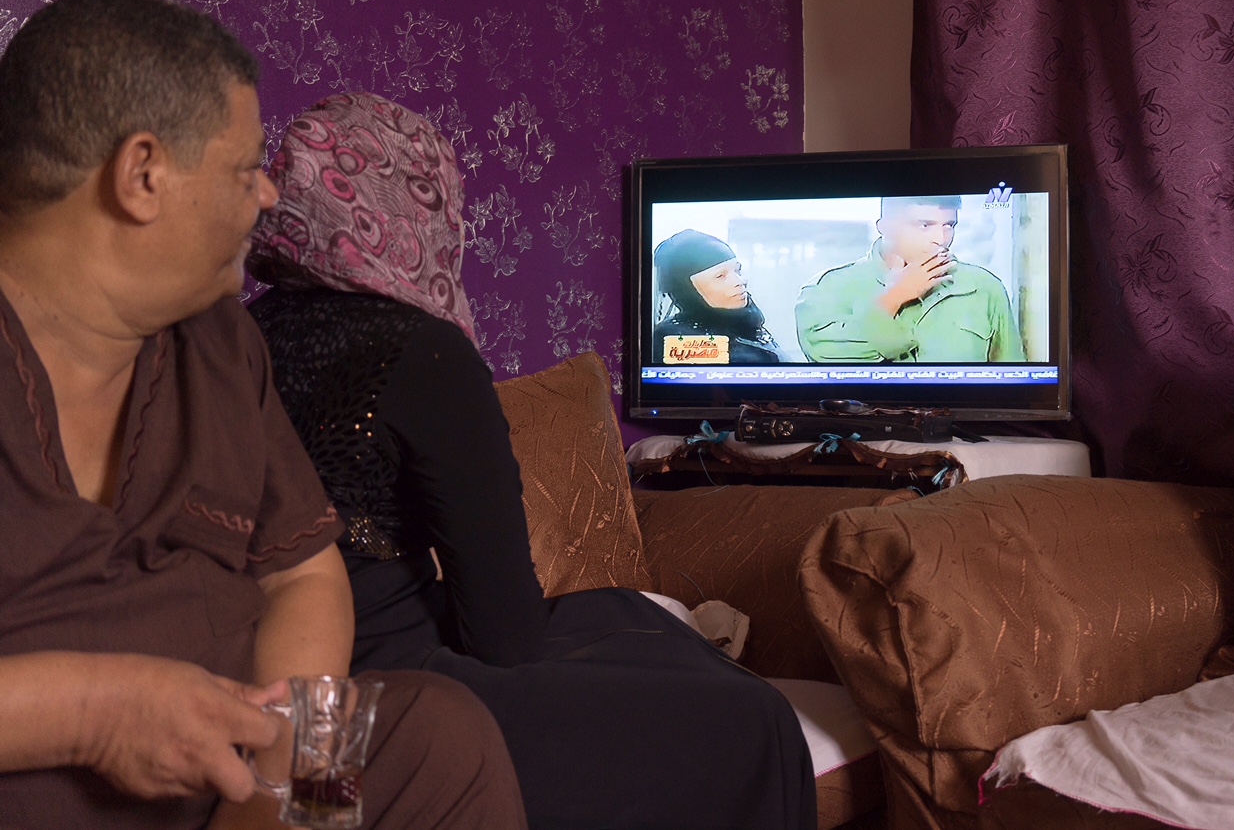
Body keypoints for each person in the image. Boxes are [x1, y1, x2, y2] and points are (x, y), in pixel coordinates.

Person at [0, 0, 527, 829]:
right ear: (142, 176)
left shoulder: (219, 341)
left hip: (222, 783)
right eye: (247, 170)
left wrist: (278, 780)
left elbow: (303, 573)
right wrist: (93, 712)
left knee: (439, 737)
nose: (272, 199)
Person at [246, 91, 817, 830]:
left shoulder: (235, 335)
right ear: (415, 206)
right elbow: (504, 636)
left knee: (620, 612)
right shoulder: (423, 352)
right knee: (752, 717)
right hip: (395, 685)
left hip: (277, 673)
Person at [795, 194, 1026, 362]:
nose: (941, 238)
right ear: (884, 227)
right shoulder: (827, 289)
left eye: (949, 225)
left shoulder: (983, 287)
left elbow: (1012, 383)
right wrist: (891, 299)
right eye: (925, 225)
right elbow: (826, 360)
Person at [652, 228, 783, 363]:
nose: (740, 281)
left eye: (738, 270)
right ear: (687, 290)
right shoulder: (678, 341)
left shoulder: (747, 325)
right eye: (720, 276)